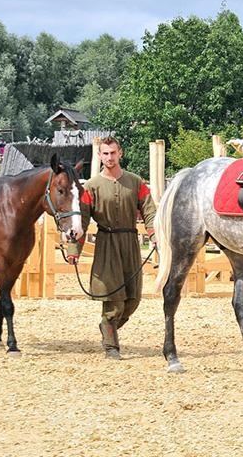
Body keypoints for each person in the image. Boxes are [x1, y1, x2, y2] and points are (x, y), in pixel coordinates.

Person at [66, 137, 156, 360]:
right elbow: (82, 221)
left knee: (133, 299)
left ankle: (107, 327)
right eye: (105, 153)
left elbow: (150, 211)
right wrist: (73, 249)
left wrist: (154, 234)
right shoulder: (91, 187)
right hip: (106, 244)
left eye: (113, 153)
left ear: (120, 153)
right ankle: (111, 346)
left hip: (130, 244)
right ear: (99, 156)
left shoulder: (136, 182)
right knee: (113, 298)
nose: (109, 157)